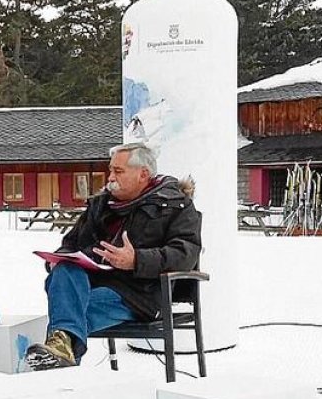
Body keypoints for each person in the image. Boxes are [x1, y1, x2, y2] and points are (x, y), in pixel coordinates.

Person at [25, 142, 202, 370]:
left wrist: (136, 260)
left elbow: (184, 254)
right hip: (93, 282)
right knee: (64, 270)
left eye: (118, 171)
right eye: (110, 169)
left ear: (143, 174)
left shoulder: (176, 206)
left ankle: (61, 365)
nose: (110, 177)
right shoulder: (101, 205)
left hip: (137, 293)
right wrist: (58, 258)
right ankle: (62, 356)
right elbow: (70, 244)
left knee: (68, 317)